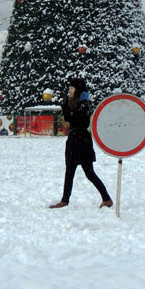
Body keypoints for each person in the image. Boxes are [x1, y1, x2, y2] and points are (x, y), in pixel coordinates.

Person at [50, 77, 112, 209]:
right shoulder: (72, 102)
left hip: (82, 140)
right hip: (73, 139)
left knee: (89, 173)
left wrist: (67, 107)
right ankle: (65, 200)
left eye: (72, 88)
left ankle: (106, 198)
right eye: (70, 88)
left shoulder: (85, 103)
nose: (70, 90)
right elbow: (68, 117)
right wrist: (65, 104)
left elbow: (75, 118)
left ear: (78, 89)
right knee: (69, 171)